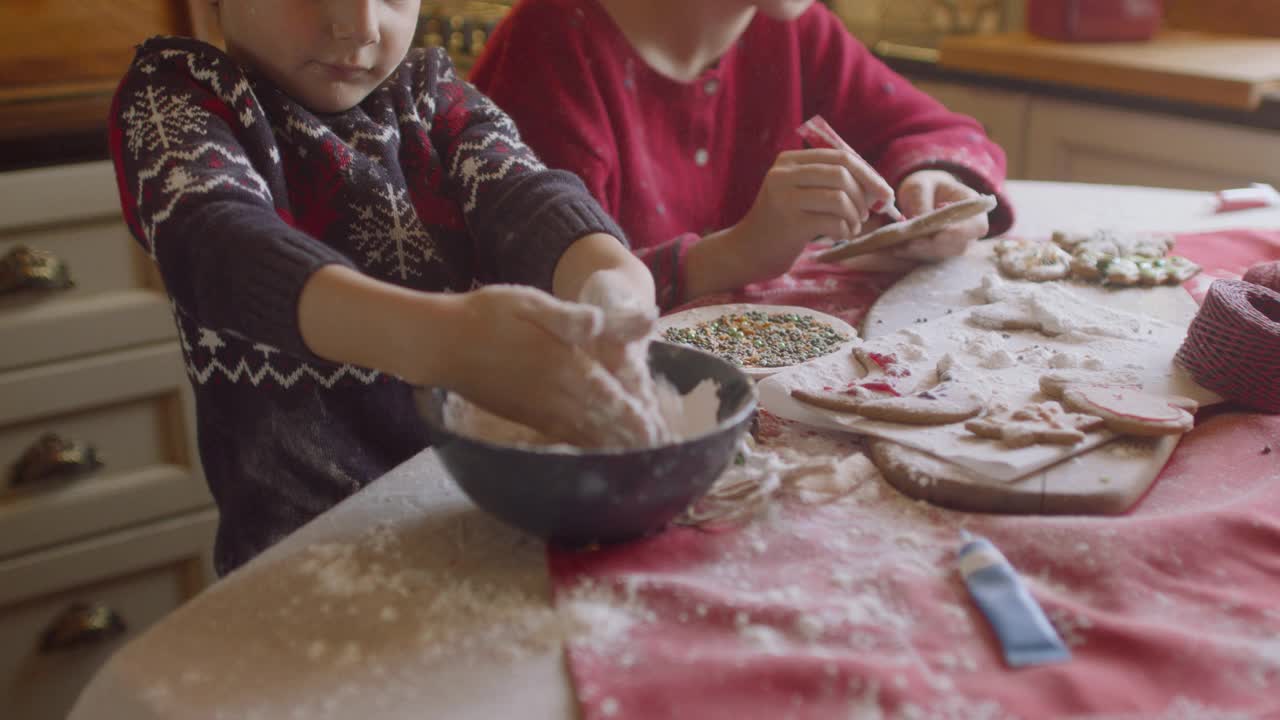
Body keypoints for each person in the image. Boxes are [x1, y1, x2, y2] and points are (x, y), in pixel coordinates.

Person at [109, 0, 660, 575]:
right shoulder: (176, 99)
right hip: (303, 568)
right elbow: (219, 242)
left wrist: (610, 282)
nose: (361, 26)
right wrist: (444, 344)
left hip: (486, 536)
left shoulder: (431, 98)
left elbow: (526, 194)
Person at [470, 0, 1014, 310]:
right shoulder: (553, 42)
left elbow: (943, 132)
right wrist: (736, 254)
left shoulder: (796, 26)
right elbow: (540, 304)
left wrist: (933, 179)